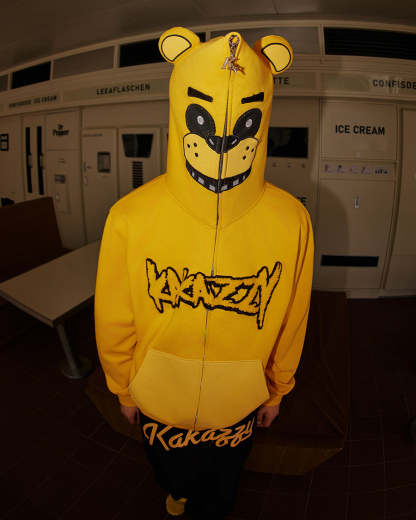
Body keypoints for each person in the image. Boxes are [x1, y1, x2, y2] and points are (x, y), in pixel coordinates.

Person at [94, 26, 314, 519]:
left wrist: (278, 388)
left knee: (224, 482)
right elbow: (114, 316)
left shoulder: (291, 219)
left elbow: (293, 317)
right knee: (169, 474)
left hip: (239, 404)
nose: (223, 139)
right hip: (156, 399)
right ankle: (176, 499)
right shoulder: (131, 215)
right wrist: (123, 388)